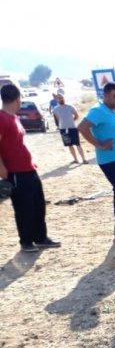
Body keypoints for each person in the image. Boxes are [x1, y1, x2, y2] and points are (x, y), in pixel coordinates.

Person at [0, 84, 61, 252]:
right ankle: (26, 241)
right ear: (18, 98)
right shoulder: (1, 118)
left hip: (28, 168)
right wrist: (1, 167)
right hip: (15, 171)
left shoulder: (15, 118)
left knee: (38, 204)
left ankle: (40, 238)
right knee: (23, 207)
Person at [78, 82, 115, 241]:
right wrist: (99, 144)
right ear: (105, 95)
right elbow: (82, 127)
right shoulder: (98, 111)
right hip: (110, 160)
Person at [52, 93, 87, 164]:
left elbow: (76, 116)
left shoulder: (70, 107)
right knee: (69, 145)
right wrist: (62, 124)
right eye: (59, 98)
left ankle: (84, 159)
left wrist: (71, 121)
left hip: (73, 128)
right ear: (56, 99)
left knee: (78, 144)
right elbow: (58, 119)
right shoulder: (55, 109)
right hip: (63, 129)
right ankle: (75, 159)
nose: (61, 99)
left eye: (62, 97)